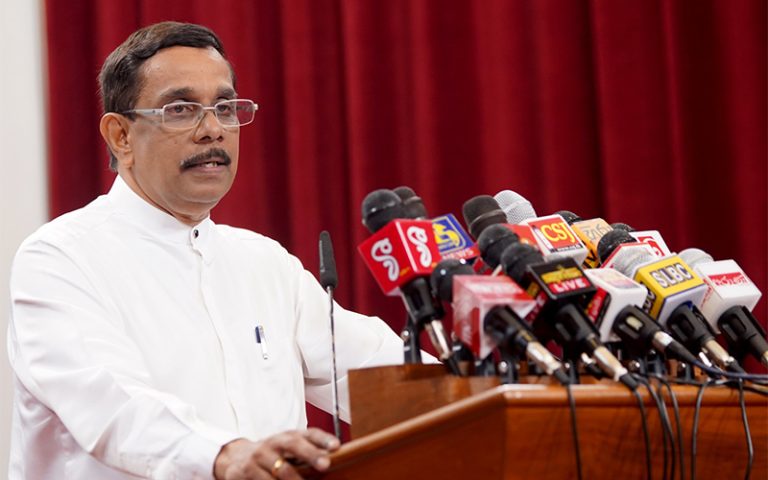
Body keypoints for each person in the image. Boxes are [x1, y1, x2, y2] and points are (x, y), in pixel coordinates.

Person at [8, 21, 407, 479]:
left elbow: (377, 373)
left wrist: (475, 386)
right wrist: (224, 454)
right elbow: (112, 405)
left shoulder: (264, 263)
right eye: (180, 109)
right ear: (121, 136)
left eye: (225, 107)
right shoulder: (60, 259)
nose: (213, 130)